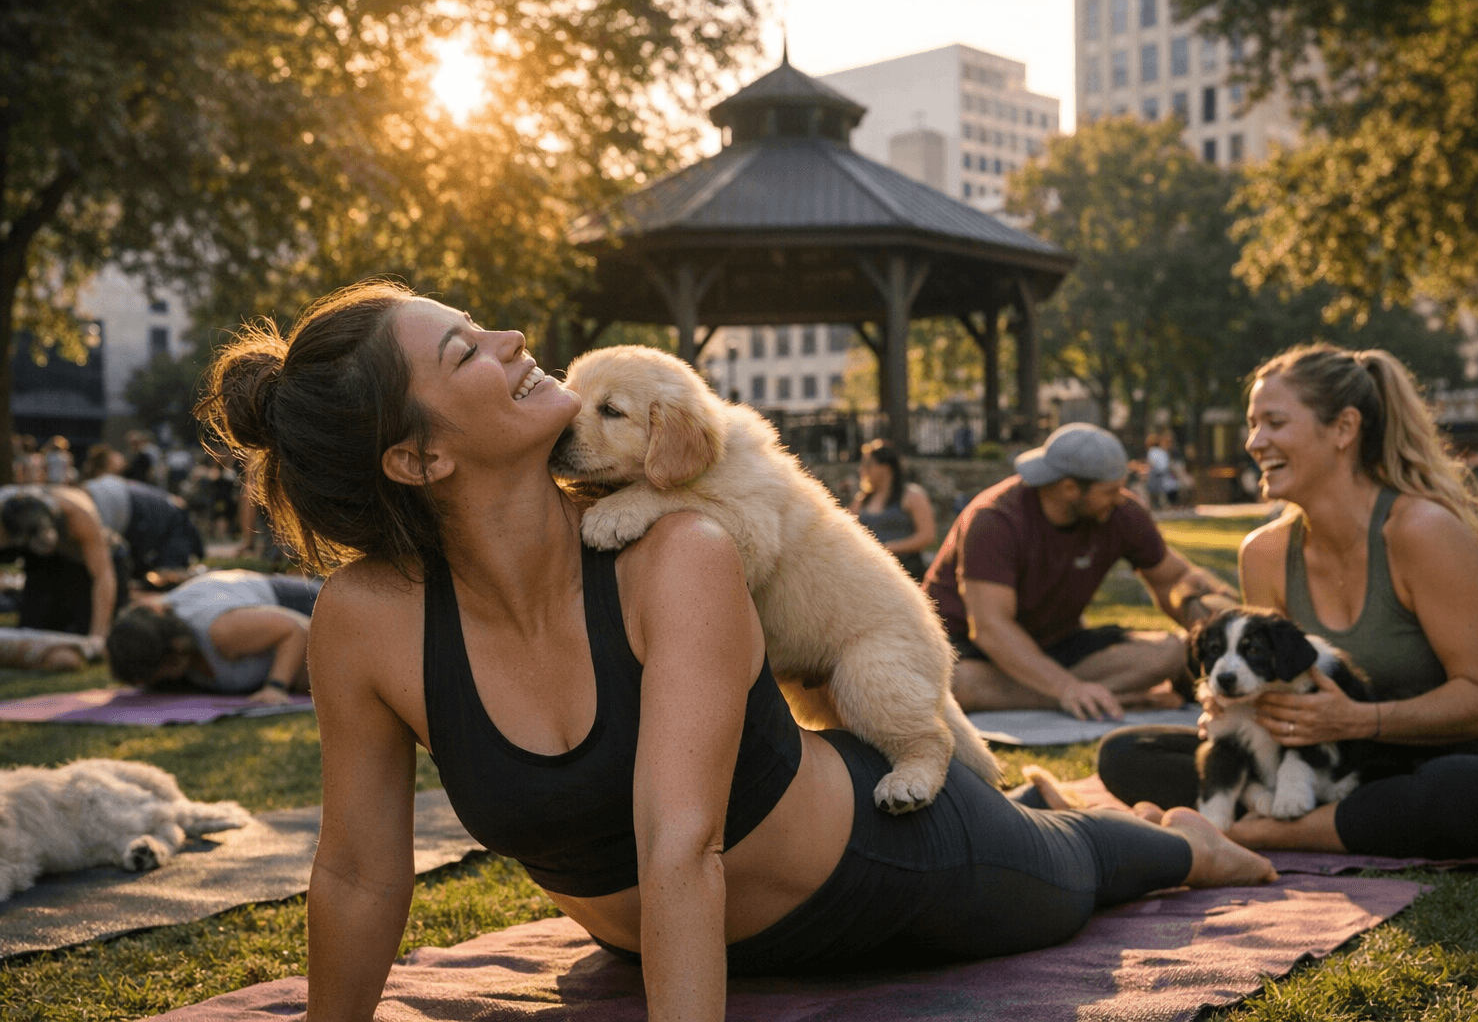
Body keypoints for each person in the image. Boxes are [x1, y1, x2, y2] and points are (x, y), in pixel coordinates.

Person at [195, 280, 1274, 1022]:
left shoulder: (679, 550)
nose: (514, 340)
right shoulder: (365, 617)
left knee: (1084, 864)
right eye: (465, 350)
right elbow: (352, 868)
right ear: (418, 453)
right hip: (656, 939)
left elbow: (681, 846)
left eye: (485, 326)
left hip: (894, 867)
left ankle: (1181, 837)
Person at [1098, 345, 1478, 860]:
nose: (1255, 442)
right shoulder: (1263, 554)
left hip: (1467, 758)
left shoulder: (1423, 532)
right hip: (1336, 762)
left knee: (1472, 794)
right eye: (1252, 424)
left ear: (1344, 429)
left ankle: (1260, 833)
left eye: (1275, 423)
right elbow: (1270, 689)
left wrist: (1356, 720)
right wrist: (1230, 702)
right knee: (1128, 755)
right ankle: (1331, 820)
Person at [923, 422, 1237, 721]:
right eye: (1110, 491)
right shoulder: (994, 520)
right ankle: (1089, 695)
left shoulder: (1122, 513)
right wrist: (1066, 688)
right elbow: (991, 629)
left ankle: (1072, 694)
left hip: (1059, 644)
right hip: (973, 651)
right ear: (1070, 488)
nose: (1120, 499)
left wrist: (1217, 619)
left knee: (1171, 652)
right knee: (953, 682)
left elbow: (1173, 579)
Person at [106, 569, 322, 705]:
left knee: (319, 674)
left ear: (175, 650)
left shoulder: (221, 630)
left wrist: (276, 687)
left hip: (310, 604)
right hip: (272, 617)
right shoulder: (154, 631)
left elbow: (295, 630)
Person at [0, 485, 128, 647]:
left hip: (91, 562)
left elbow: (103, 575)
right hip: (50, 561)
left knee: (85, 627)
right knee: (34, 626)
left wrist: (97, 637)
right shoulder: (7, 515)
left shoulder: (78, 515)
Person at [847, 439, 936, 581]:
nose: (862, 469)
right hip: (869, 572)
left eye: (869, 464)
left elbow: (927, 536)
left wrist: (889, 548)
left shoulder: (912, 495)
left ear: (886, 468)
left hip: (906, 571)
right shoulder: (862, 499)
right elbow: (847, 532)